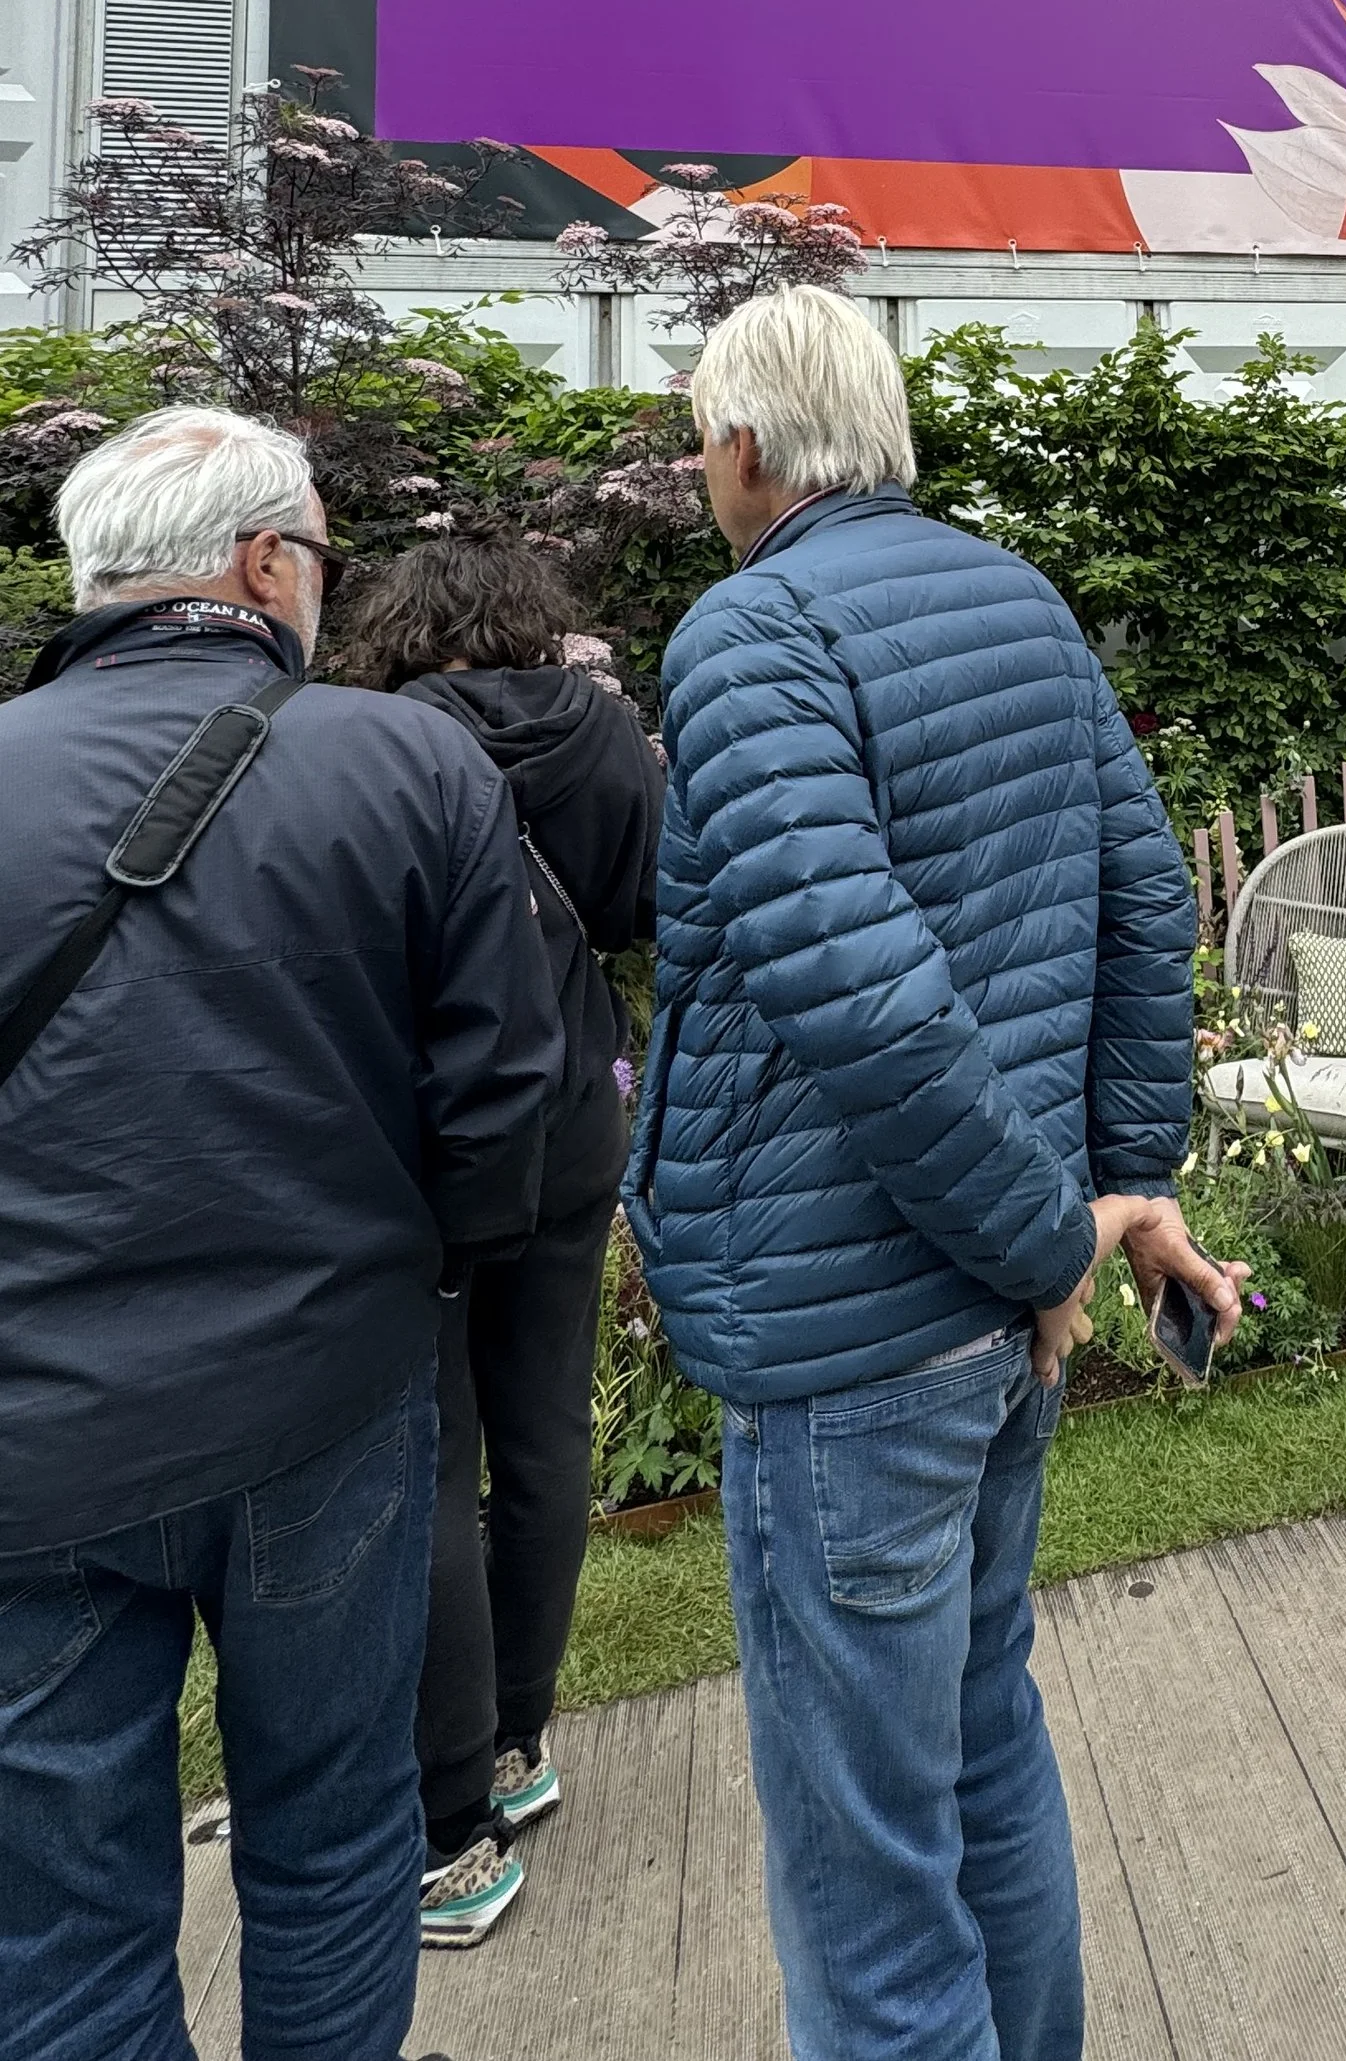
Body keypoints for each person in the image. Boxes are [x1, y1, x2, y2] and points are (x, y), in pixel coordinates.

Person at [633, 287, 1239, 2061]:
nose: (695, 464)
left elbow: (862, 992)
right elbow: (1150, 897)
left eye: (698, 435)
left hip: (862, 1336)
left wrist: (1062, 1228)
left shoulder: (755, 633)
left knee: (865, 1860)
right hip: (989, 1314)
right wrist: (1122, 1183)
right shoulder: (1017, 596)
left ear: (748, 446)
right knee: (980, 1741)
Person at [0, 409, 560, 2061]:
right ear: (264, 564)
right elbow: (504, 1095)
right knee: (331, 1835)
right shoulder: (402, 761)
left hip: (34, 1432)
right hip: (323, 1399)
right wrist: (427, 1267)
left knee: (57, 1914)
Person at [329, 536, 666, 1943]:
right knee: (544, 1439)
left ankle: (449, 1822)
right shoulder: (600, 732)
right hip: (574, 1118)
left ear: (397, 627)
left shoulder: (366, 742)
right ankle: (516, 1745)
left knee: (432, 1462)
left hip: (431, 1134)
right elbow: (653, 910)